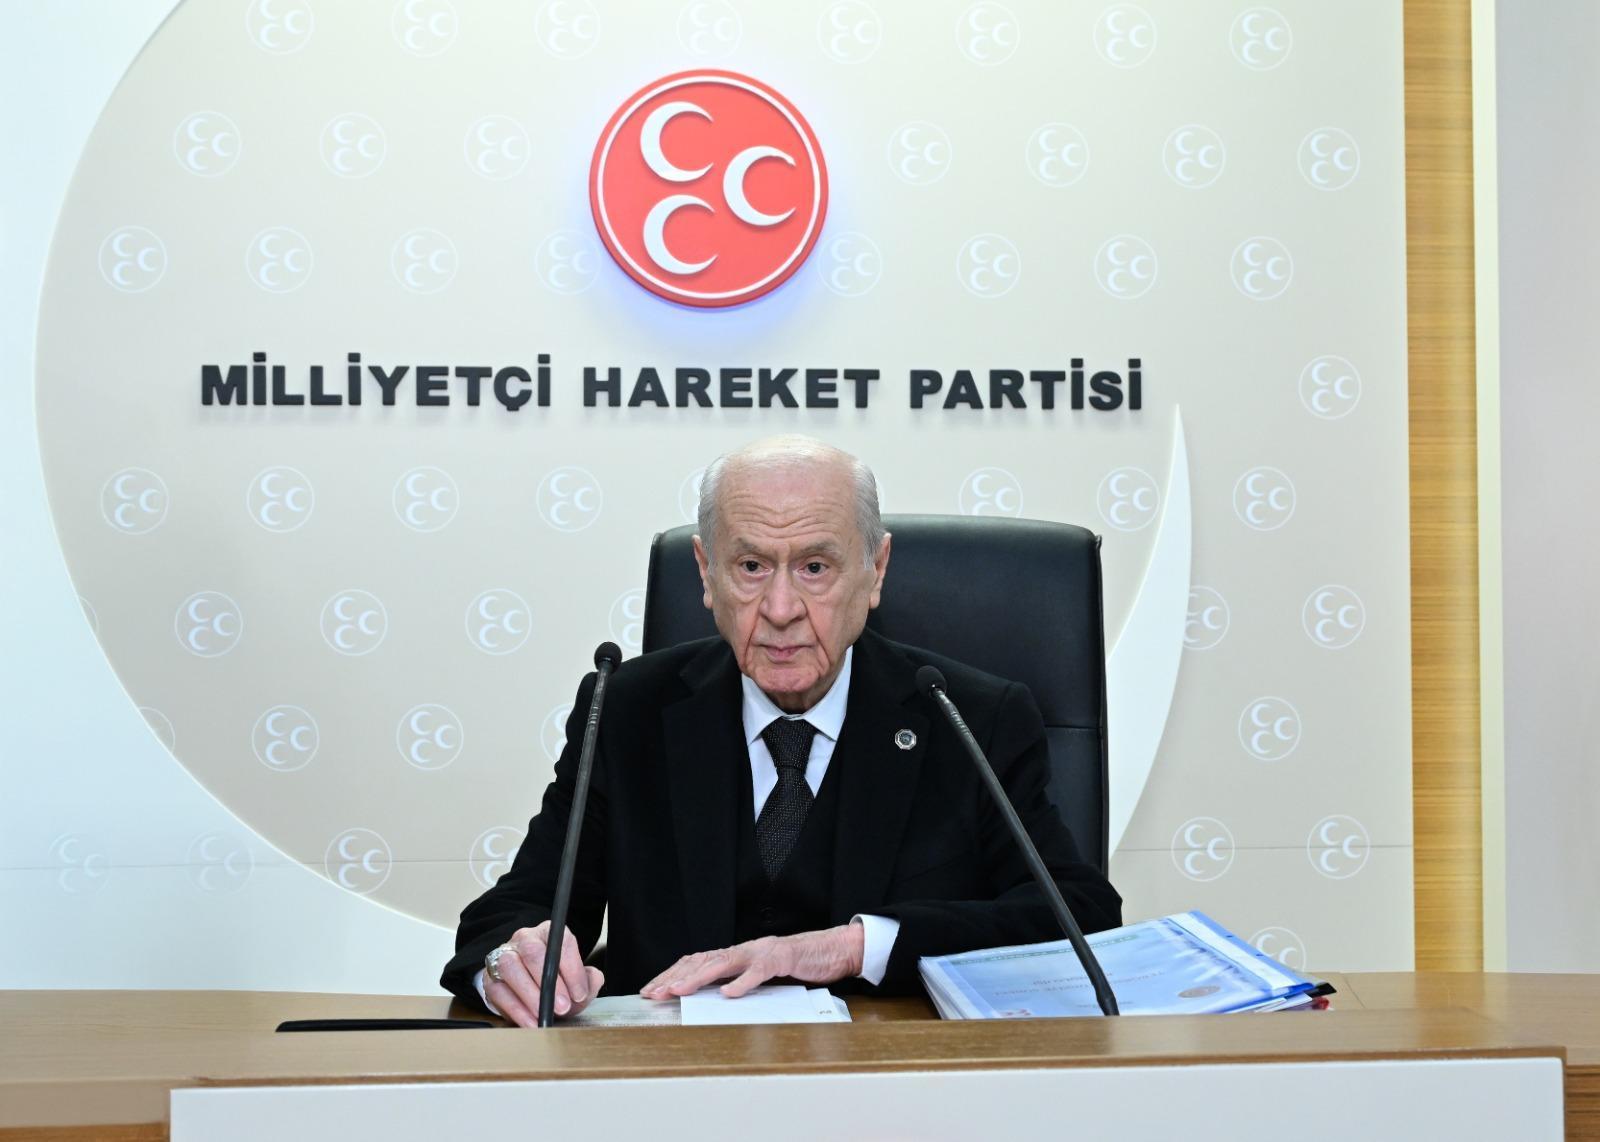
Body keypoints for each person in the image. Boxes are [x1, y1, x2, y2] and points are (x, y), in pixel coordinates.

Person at [440, 435, 1120, 1024]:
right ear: (707, 574)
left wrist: (854, 946)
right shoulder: (627, 710)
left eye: (815, 567)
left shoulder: (967, 716)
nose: (782, 607)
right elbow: (518, 908)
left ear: (875, 571)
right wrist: (512, 960)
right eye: (751, 566)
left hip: (896, 1092)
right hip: (674, 1092)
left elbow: (1079, 917)